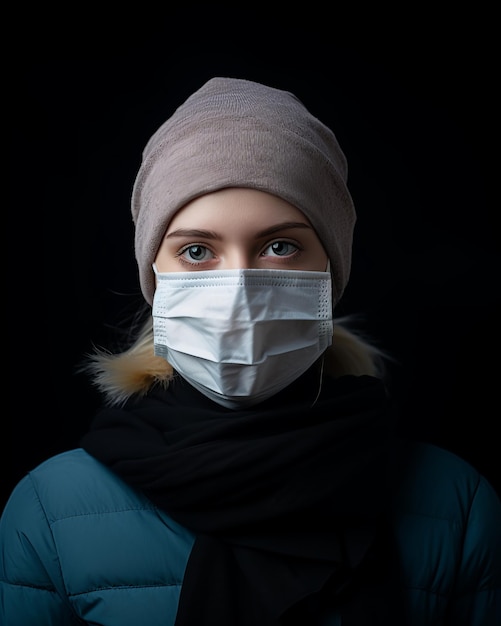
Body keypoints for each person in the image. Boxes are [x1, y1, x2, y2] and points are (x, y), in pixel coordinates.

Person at [1, 77, 500, 626]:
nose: (238, 288)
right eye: (196, 251)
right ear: (154, 278)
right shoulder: (53, 509)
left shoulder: (453, 503)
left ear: (329, 274)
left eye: (280, 246)